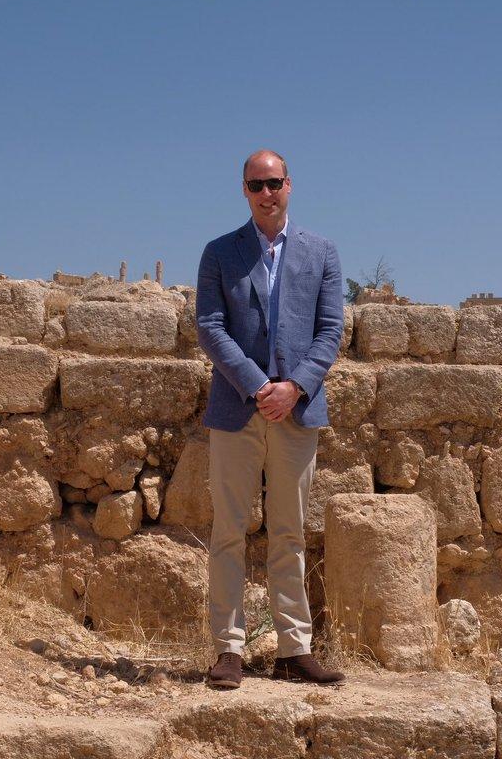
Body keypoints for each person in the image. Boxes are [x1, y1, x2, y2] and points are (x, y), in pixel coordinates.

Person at [195, 149, 346, 688]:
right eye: (256, 185)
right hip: (237, 409)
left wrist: (295, 386)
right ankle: (228, 650)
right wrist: (260, 387)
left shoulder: (322, 253)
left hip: (297, 412)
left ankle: (293, 649)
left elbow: (331, 332)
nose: (266, 193)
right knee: (228, 531)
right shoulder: (219, 253)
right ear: (244, 191)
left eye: (274, 183)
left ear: (289, 186)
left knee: (290, 532)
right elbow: (210, 327)